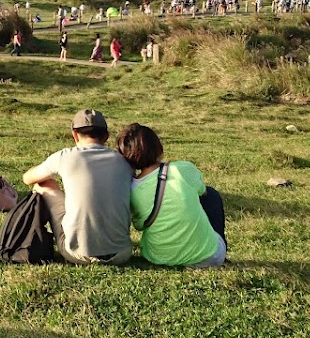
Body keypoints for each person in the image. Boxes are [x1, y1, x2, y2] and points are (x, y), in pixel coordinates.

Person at [20, 108, 132, 264]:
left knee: (43, 184)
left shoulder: (64, 156)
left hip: (77, 254)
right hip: (122, 254)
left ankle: (36, 239)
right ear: (106, 136)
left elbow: (28, 178)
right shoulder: (124, 162)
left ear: (75, 134)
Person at [116, 123, 225, 268]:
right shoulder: (183, 169)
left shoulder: (132, 189)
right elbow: (202, 192)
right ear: (158, 147)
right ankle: (213, 250)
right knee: (211, 195)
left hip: (158, 258)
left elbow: (139, 225)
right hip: (209, 258)